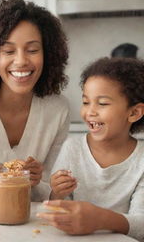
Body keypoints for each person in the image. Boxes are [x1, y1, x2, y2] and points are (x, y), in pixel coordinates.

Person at [0, 0, 70, 201]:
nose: (21, 61)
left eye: (32, 50)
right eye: (8, 51)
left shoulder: (58, 110)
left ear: (48, 54)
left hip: (30, 224)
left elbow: (52, 193)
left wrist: (39, 180)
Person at [37, 57, 144, 241]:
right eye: (86, 102)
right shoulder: (72, 148)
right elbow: (56, 210)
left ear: (134, 113)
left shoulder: (141, 160)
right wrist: (57, 192)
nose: (90, 112)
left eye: (102, 103)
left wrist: (100, 219)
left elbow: (141, 225)